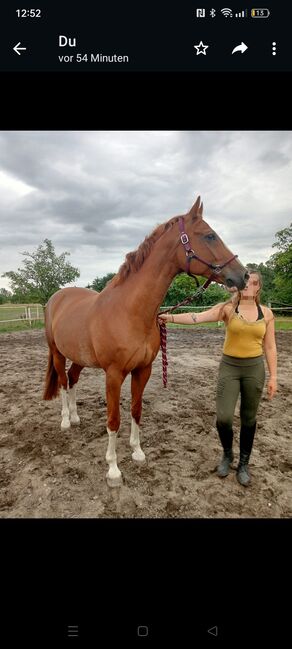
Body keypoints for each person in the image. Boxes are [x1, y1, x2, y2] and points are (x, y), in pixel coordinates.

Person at [158, 271, 277, 486]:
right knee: (223, 417)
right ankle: (227, 455)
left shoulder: (267, 314)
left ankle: (243, 463)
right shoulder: (227, 309)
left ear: (259, 287)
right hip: (229, 367)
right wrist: (170, 317)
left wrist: (274, 376)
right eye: (246, 282)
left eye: (254, 283)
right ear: (240, 285)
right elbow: (197, 317)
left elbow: (270, 346)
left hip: (254, 369)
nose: (249, 285)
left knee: (249, 419)